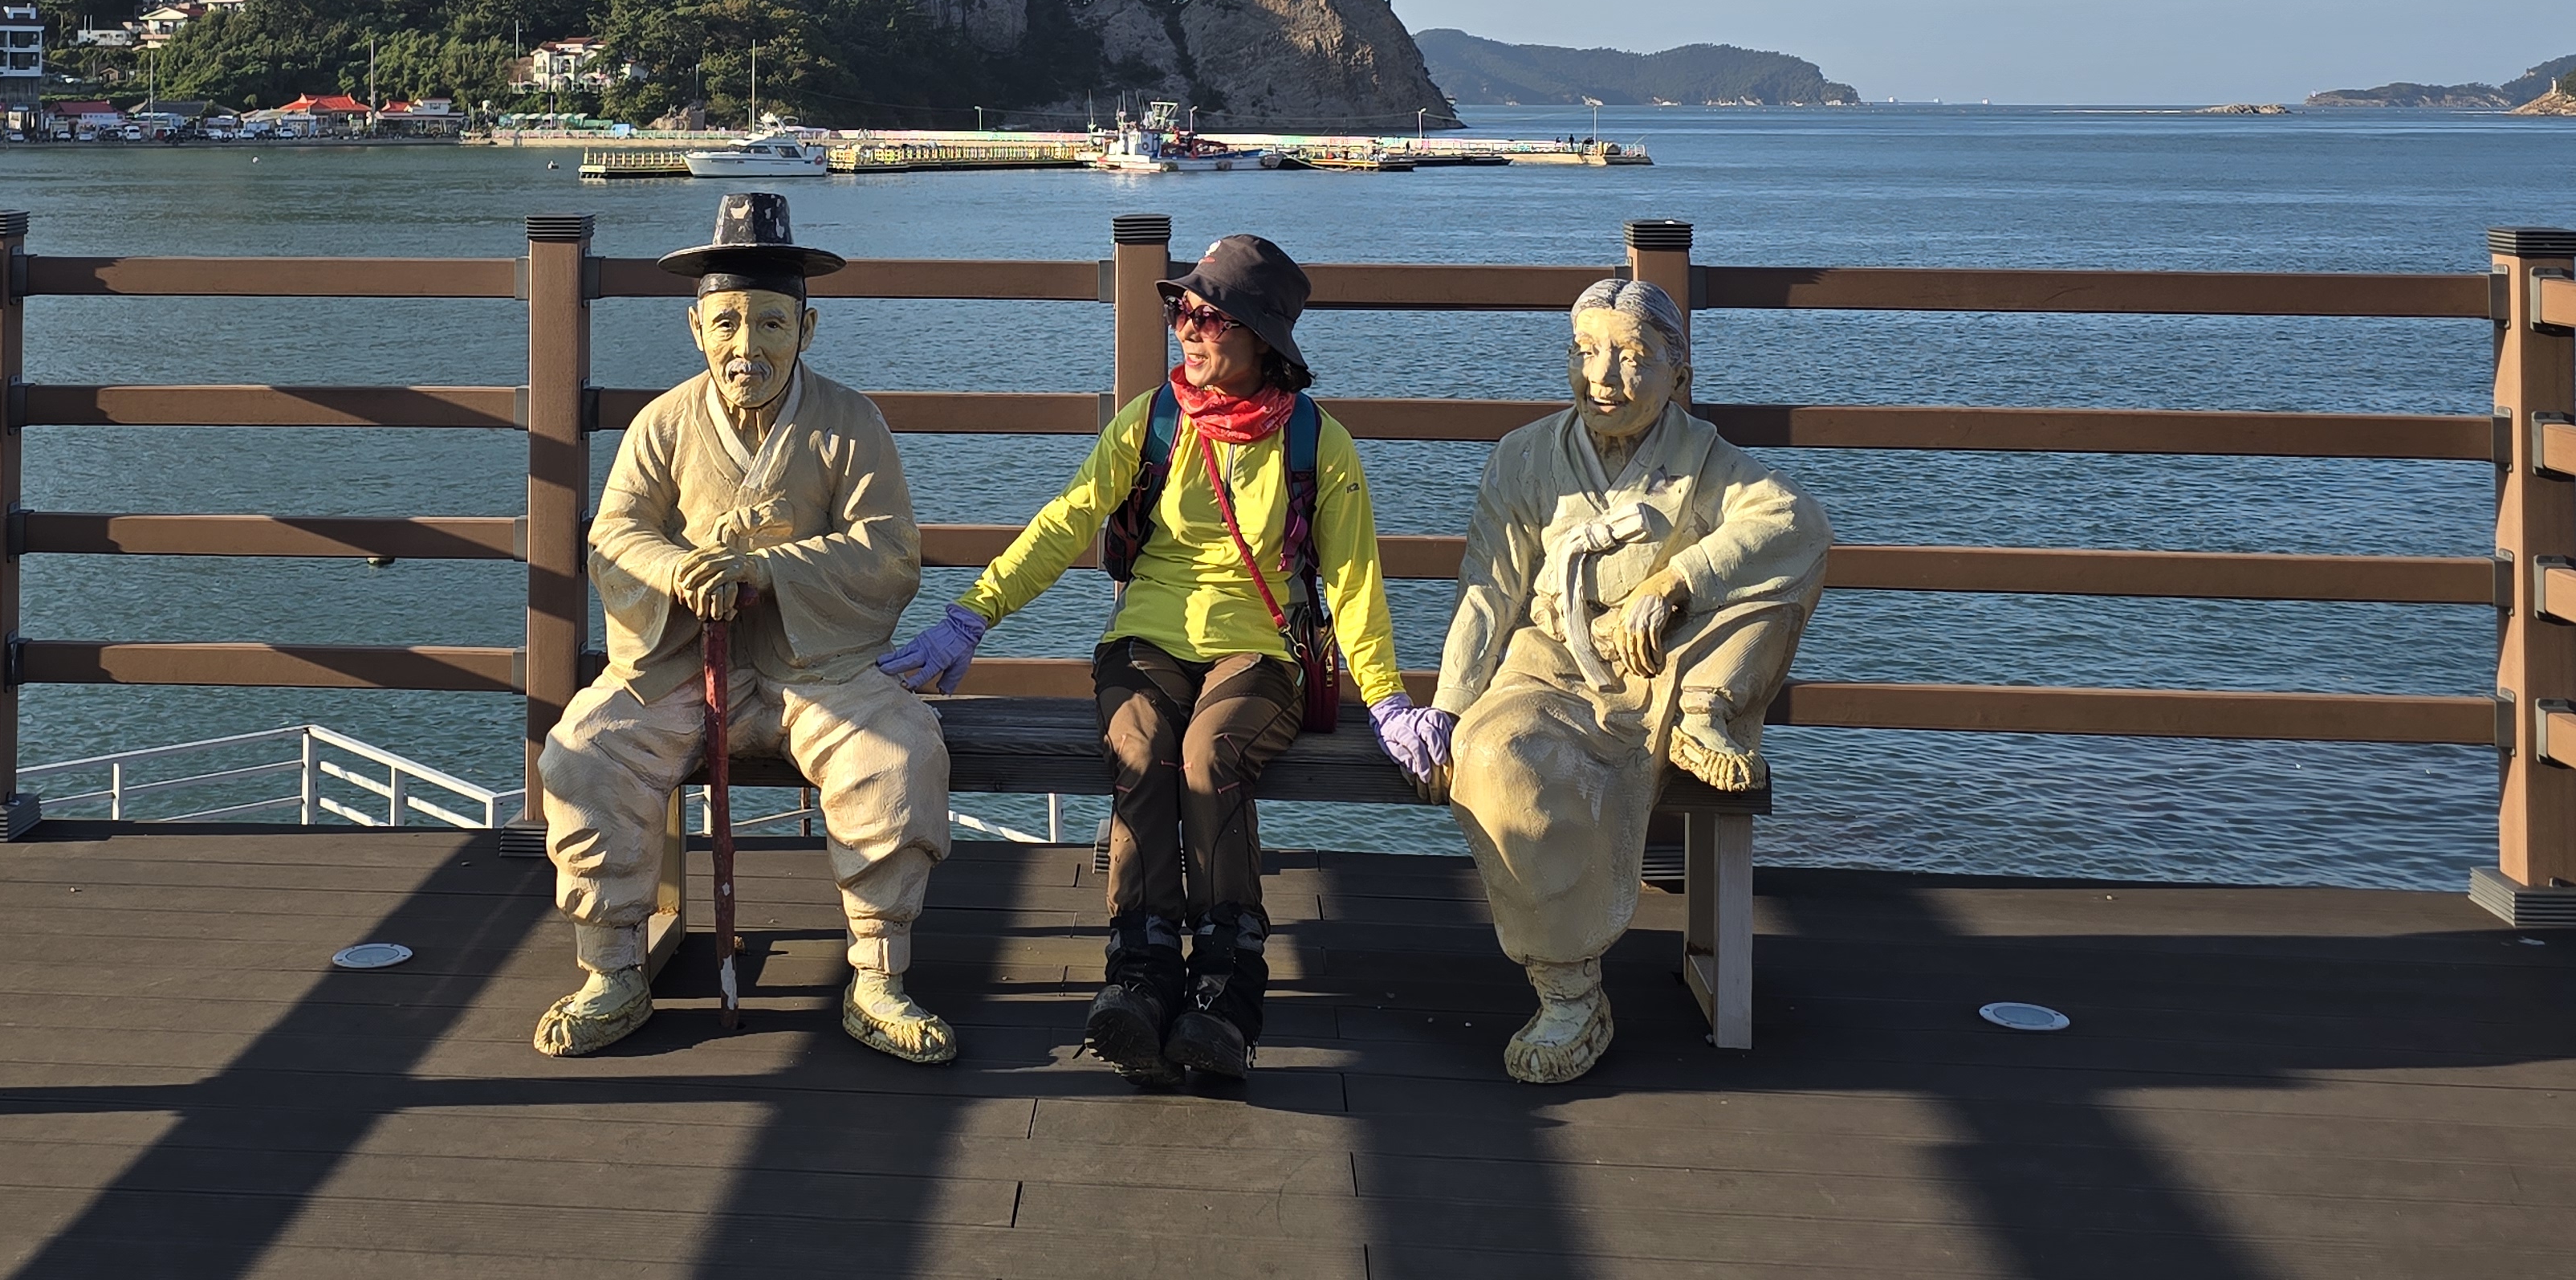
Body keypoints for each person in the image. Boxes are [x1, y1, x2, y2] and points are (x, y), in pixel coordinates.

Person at [881, 233, 1443, 1086]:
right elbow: (1069, 518)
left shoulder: (1316, 443)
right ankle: (1139, 974)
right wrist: (972, 616)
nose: (1187, 328)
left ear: (1262, 339)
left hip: (1260, 649)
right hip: (1143, 640)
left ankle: (1226, 988)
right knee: (1141, 749)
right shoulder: (1152, 421)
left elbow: (1355, 578)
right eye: (1182, 310)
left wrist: (1389, 700)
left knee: (1210, 755)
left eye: (1210, 317)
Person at [531, 192, 958, 1064]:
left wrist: (769, 570)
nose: (746, 346)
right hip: (683, 660)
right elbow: (616, 533)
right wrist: (677, 571)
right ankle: (611, 966)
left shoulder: (851, 423)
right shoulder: (664, 422)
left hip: (819, 666)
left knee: (896, 757)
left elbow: (888, 549)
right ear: (696, 329)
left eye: (770, 323)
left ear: (807, 328)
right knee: (586, 749)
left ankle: (878, 974)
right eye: (726, 323)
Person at [1414, 275, 1829, 1084]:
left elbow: (1796, 521)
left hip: (1671, 663)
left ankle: (1704, 713)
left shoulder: (1707, 461)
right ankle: (1568, 991)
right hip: (1554, 662)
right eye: (1586, 352)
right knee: (1495, 755)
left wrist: (1675, 582)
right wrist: (1449, 709)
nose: (1603, 376)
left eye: (1632, 357)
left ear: (1678, 372)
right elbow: (1487, 591)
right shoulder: (1525, 456)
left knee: (1775, 582)